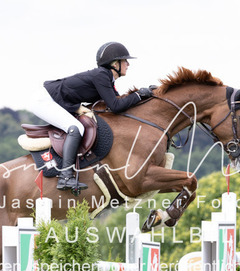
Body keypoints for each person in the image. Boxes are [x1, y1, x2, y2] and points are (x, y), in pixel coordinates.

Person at [33, 42, 154, 191]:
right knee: (75, 128)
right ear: (115, 64)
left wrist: (145, 96)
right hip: (44, 100)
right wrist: (138, 95)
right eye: (125, 61)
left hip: (54, 99)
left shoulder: (106, 78)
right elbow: (116, 106)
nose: (128, 64)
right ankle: (65, 177)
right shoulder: (101, 75)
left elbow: (118, 103)